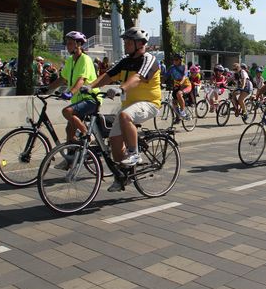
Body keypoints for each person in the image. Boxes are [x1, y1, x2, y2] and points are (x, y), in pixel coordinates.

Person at [85, 27, 161, 192]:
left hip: (149, 103)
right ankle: (122, 176)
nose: (125, 44)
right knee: (114, 140)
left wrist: (122, 89)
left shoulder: (149, 60)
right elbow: (108, 75)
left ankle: (134, 153)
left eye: (128, 42)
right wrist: (90, 86)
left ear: (139, 44)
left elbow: (138, 78)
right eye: (125, 41)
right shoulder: (125, 61)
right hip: (130, 105)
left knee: (125, 115)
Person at [45, 31, 101, 166]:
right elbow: (62, 78)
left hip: (90, 99)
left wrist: (70, 92)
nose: (67, 46)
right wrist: (47, 89)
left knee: (67, 112)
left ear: (78, 44)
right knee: (69, 130)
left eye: (70, 43)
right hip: (78, 101)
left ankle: (88, 136)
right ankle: (71, 158)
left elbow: (81, 79)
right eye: (67, 43)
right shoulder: (70, 60)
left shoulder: (85, 60)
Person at [166, 53, 192, 119]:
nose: (174, 61)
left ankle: (183, 112)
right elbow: (165, 76)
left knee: (179, 94)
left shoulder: (184, 66)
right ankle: (178, 117)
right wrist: (159, 83)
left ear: (180, 60)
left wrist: (181, 82)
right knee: (174, 102)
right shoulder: (172, 67)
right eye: (173, 60)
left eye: (176, 60)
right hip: (177, 86)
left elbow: (184, 75)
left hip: (186, 86)